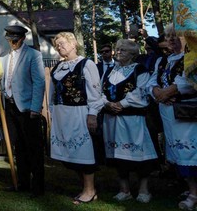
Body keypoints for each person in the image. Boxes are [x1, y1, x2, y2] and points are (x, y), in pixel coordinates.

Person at [49, 32, 104, 205]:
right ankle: (87, 188)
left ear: (74, 44)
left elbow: (96, 94)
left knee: (84, 152)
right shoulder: (57, 67)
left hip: (79, 113)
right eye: (57, 45)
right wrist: (52, 113)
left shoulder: (86, 64)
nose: (59, 47)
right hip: (61, 114)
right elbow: (52, 94)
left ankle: (89, 190)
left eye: (63, 43)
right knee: (69, 154)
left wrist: (92, 114)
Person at [102, 39, 157, 203]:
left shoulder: (140, 70)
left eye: (123, 50)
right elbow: (100, 90)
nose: (118, 52)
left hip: (133, 120)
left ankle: (144, 190)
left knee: (140, 155)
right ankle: (124, 190)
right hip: (112, 120)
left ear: (133, 54)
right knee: (118, 157)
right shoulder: (110, 71)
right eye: (117, 49)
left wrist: (121, 103)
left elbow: (142, 93)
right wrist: (107, 103)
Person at [148, 25, 197, 210]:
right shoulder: (162, 61)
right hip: (168, 112)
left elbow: (190, 81)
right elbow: (152, 81)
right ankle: (190, 188)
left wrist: (168, 92)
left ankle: (194, 194)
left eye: (175, 36)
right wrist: (157, 92)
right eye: (169, 37)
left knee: (190, 151)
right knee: (177, 151)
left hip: (187, 111)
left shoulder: (192, 56)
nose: (171, 40)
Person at [0, 25, 46, 198]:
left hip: (28, 108)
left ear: (22, 39)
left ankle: (38, 187)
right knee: (18, 147)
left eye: (15, 40)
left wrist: (35, 108)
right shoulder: (5, 58)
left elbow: (39, 82)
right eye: (9, 40)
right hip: (11, 106)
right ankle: (23, 182)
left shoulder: (34, 55)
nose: (12, 43)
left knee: (33, 148)